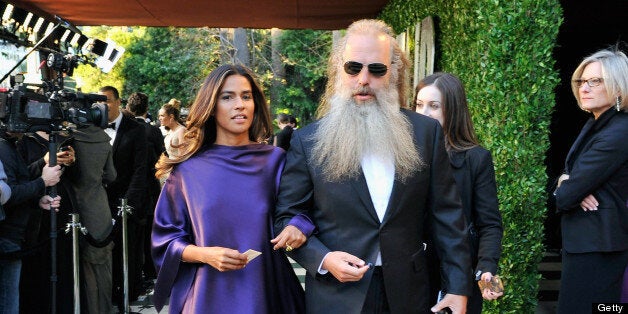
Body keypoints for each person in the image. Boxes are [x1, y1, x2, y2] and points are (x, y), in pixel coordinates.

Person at [273, 19, 472, 314]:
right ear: (339, 71)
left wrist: (457, 288)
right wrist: (324, 259)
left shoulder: (426, 133)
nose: (363, 79)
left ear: (392, 75)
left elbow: (448, 216)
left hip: (409, 294)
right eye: (353, 67)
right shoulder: (308, 141)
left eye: (376, 70)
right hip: (336, 297)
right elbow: (287, 217)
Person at [151, 64, 309, 314]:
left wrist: (298, 226)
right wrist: (205, 254)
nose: (240, 104)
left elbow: (301, 211)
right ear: (211, 107)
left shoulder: (275, 160)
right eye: (228, 97)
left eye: (246, 96)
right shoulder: (187, 171)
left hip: (268, 291)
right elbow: (166, 240)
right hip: (207, 295)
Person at [414, 72, 504, 313]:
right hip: (412, 275)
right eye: (418, 105)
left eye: (434, 106)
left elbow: (489, 224)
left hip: (457, 274)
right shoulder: (404, 157)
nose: (423, 113)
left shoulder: (476, 159)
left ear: (452, 110)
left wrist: (487, 267)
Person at [553, 48, 628, 313]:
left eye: (596, 81)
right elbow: (567, 181)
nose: (585, 87)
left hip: (599, 248)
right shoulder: (597, 125)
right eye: (582, 81)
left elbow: (564, 196)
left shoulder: (618, 131)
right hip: (587, 244)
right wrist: (568, 182)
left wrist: (569, 186)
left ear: (618, 88)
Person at [0, 130, 62, 314]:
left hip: (14, 238)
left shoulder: (9, 145)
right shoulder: (3, 146)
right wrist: (42, 182)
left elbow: (15, 184)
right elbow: (8, 195)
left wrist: (37, 200)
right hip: (7, 240)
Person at [15, 130, 77, 313]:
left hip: (64, 214)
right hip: (34, 222)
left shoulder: (68, 137)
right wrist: (44, 161)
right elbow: (20, 179)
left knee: (64, 273)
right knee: (36, 278)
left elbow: (77, 179)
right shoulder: (22, 139)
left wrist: (72, 162)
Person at [99, 86, 149, 307]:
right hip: (98, 203)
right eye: (99, 102)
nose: (103, 106)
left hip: (125, 202)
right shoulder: (90, 127)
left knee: (125, 254)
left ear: (119, 102)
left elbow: (141, 170)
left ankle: (125, 300)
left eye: (107, 101)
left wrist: (129, 204)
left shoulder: (136, 129)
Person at [63, 124, 117, 314]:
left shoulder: (66, 138)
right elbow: (111, 175)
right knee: (103, 266)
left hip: (75, 206)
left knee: (85, 270)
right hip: (99, 207)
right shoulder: (103, 139)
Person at [126, 92, 165, 281]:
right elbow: (162, 157)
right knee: (149, 231)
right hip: (149, 186)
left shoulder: (125, 129)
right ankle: (150, 270)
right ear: (147, 109)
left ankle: (133, 275)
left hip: (129, 187)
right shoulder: (153, 131)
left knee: (131, 235)